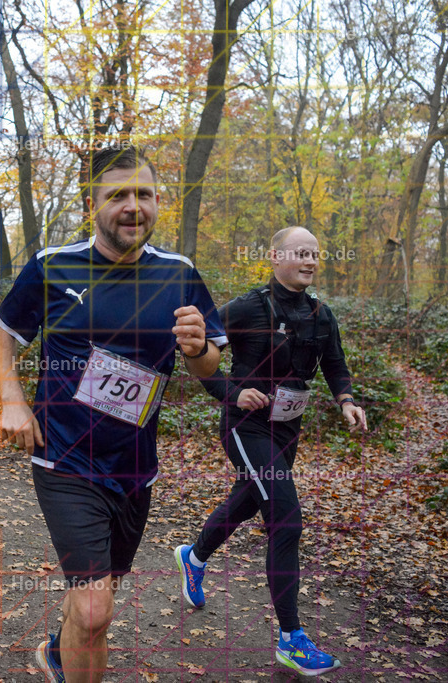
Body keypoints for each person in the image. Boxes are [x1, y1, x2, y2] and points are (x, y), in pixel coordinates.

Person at [0, 145, 227, 683]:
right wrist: (12, 398)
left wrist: (196, 350)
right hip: (63, 460)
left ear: (158, 202)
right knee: (97, 610)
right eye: (117, 195)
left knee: (91, 599)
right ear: (92, 203)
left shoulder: (179, 274)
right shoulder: (53, 267)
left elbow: (210, 370)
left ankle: (57, 652)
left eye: (143, 194)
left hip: (134, 470)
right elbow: (1, 333)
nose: (132, 206)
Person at [173, 226, 368, 677]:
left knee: (248, 501)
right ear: (275, 256)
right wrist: (232, 393)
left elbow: (336, 363)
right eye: (300, 252)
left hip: (286, 431)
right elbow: (199, 356)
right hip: (246, 427)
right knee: (285, 518)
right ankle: (291, 640)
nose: (310, 260)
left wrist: (347, 401)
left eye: (315, 254)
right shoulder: (245, 308)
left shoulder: (321, 314)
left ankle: (194, 557)